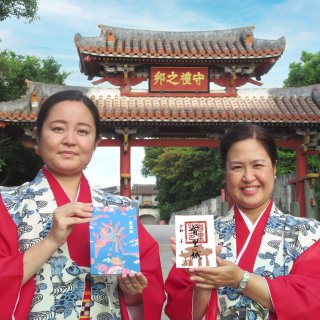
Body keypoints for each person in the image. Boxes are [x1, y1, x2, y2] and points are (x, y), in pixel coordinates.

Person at [0, 89, 165, 319]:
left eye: (83, 131)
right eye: (58, 129)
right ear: (37, 135)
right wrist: (51, 241)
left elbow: (148, 293)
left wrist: (132, 292)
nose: (69, 140)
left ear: (96, 142)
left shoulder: (120, 210)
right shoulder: (7, 205)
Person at [165, 123, 320, 320]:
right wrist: (204, 284)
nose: (248, 177)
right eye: (237, 167)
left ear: (274, 168)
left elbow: (312, 301)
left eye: (258, 165)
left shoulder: (309, 233)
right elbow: (179, 314)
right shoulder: (201, 233)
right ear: (225, 173)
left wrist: (240, 279)